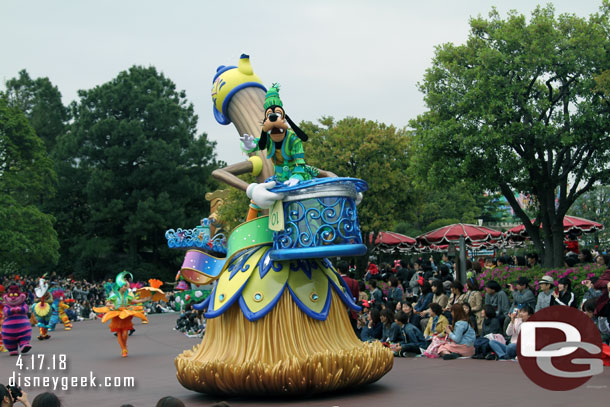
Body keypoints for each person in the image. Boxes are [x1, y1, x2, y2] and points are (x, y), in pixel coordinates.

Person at [92, 271, 147, 357]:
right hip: (117, 315)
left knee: (125, 334)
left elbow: (135, 301)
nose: (126, 288)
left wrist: (146, 299)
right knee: (119, 333)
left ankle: (124, 346)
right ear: (120, 287)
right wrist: (111, 305)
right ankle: (123, 349)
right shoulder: (114, 296)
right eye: (125, 286)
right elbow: (107, 303)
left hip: (125, 315)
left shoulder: (127, 296)